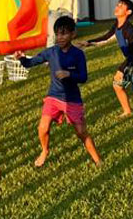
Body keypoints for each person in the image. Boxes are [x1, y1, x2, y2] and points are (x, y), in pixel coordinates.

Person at [16, 15, 100, 167]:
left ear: (73, 34)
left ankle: (97, 159)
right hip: (53, 96)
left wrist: (69, 74)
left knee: (81, 132)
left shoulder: (78, 54)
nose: (60, 37)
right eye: (57, 34)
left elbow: (83, 77)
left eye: (64, 33)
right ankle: (44, 150)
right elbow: (30, 63)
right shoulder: (51, 52)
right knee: (43, 127)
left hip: (72, 98)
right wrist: (22, 59)